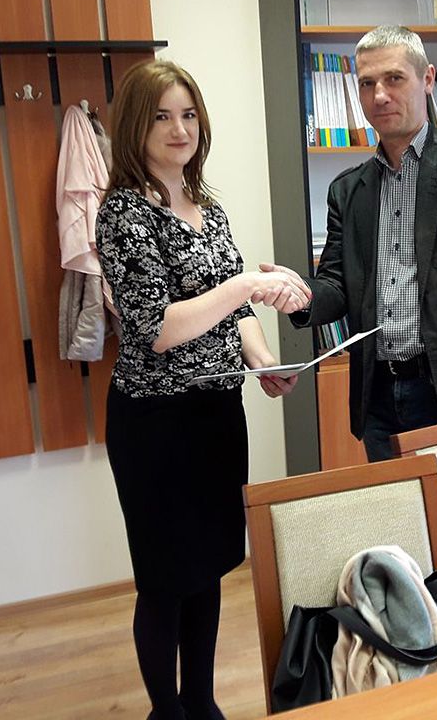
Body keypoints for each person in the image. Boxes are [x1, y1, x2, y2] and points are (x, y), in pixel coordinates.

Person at [96, 60, 309, 720]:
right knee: (166, 580)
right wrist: (246, 283)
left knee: (210, 566)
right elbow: (158, 328)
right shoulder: (122, 214)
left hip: (217, 412)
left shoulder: (208, 209)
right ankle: (168, 712)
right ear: (136, 125)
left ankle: (201, 702)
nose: (179, 128)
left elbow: (234, 312)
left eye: (188, 114)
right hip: (154, 425)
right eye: (162, 116)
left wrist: (264, 362)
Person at [280, 24, 437, 462]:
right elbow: (338, 286)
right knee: (397, 509)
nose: (380, 95)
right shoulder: (349, 190)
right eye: (367, 84)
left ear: (427, 79)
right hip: (380, 399)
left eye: (394, 79)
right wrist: (297, 295)